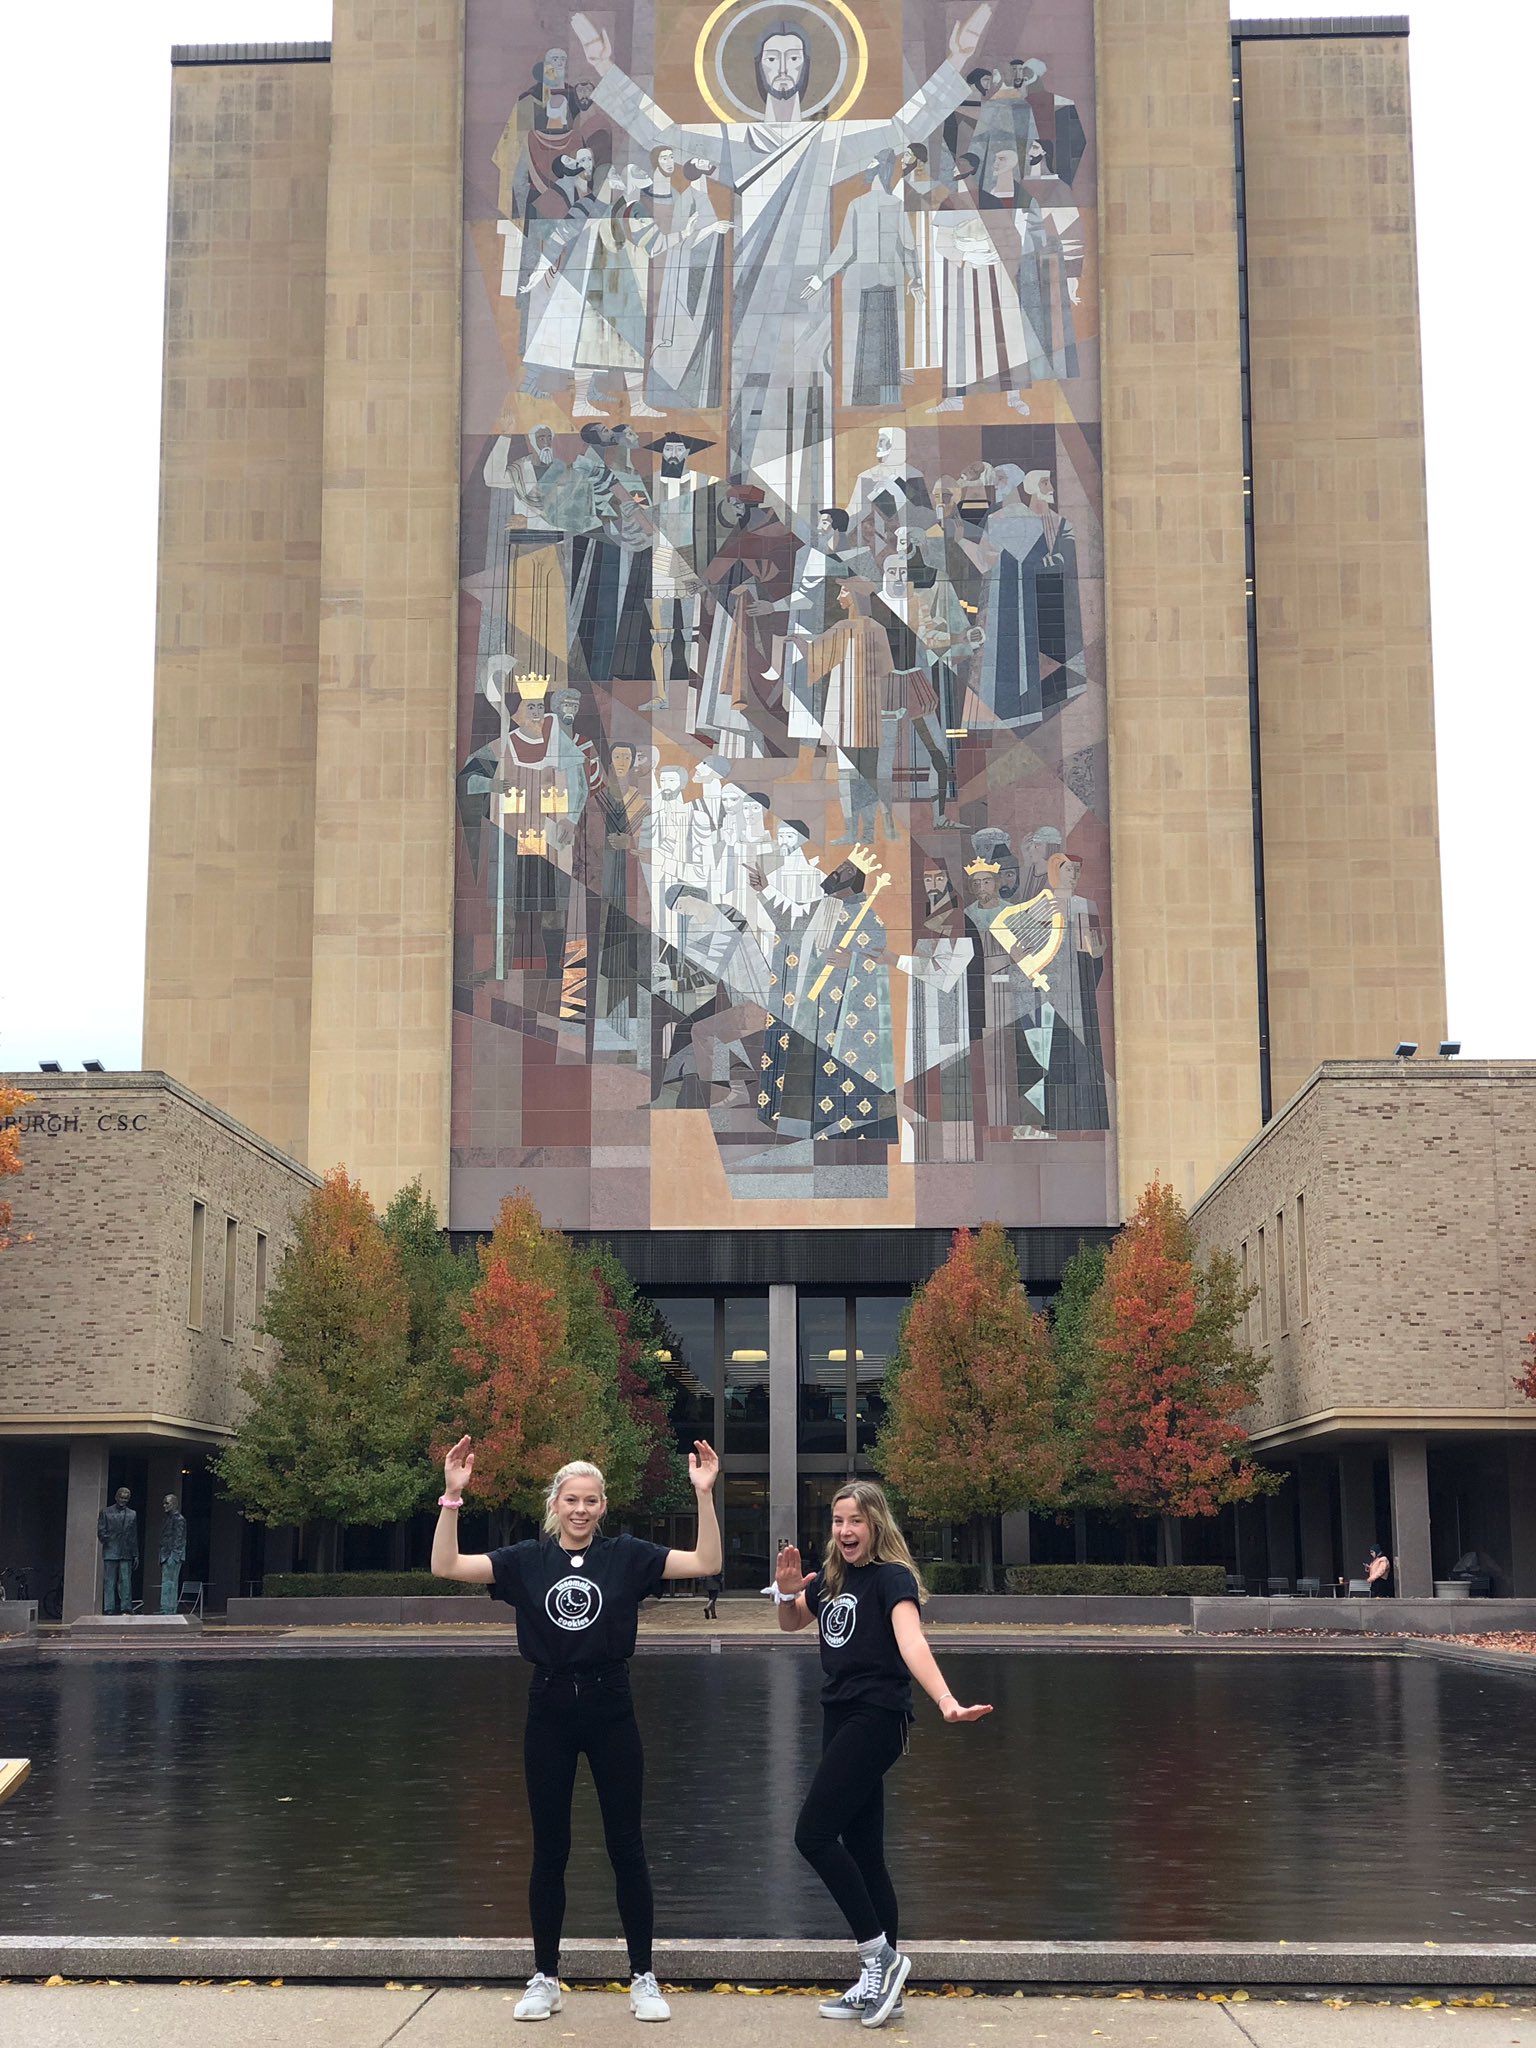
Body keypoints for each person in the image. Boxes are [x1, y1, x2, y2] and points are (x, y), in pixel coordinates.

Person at [432, 1433, 722, 2023]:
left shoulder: (627, 1555)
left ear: (603, 1506)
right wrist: (452, 1497)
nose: (581, 1510)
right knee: (550, 1849)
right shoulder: (526, 1561)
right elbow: (447, 1565)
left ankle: (643, 1976)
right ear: (555, 1505)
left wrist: (703, 1495)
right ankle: (545, 1976)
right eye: (571, 1500)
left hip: (611, 1703)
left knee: (626, 1845)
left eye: (591, 1501)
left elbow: (706, 1562)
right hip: (549, 1706)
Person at [772, 1479, 991, 2027]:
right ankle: (883, 1987)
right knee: (864, 1851)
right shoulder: (831, 1579)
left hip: (877, 1717)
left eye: (856, 1521)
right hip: (838, 1713)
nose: (846, 1531)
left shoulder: (892, 1578)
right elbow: (793, 1621)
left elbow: (911, 1642)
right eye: (838, 1521)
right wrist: (783, 1591)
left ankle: (881, 1958)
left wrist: (945, 1700)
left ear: (876, 1524)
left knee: (812, 1835)